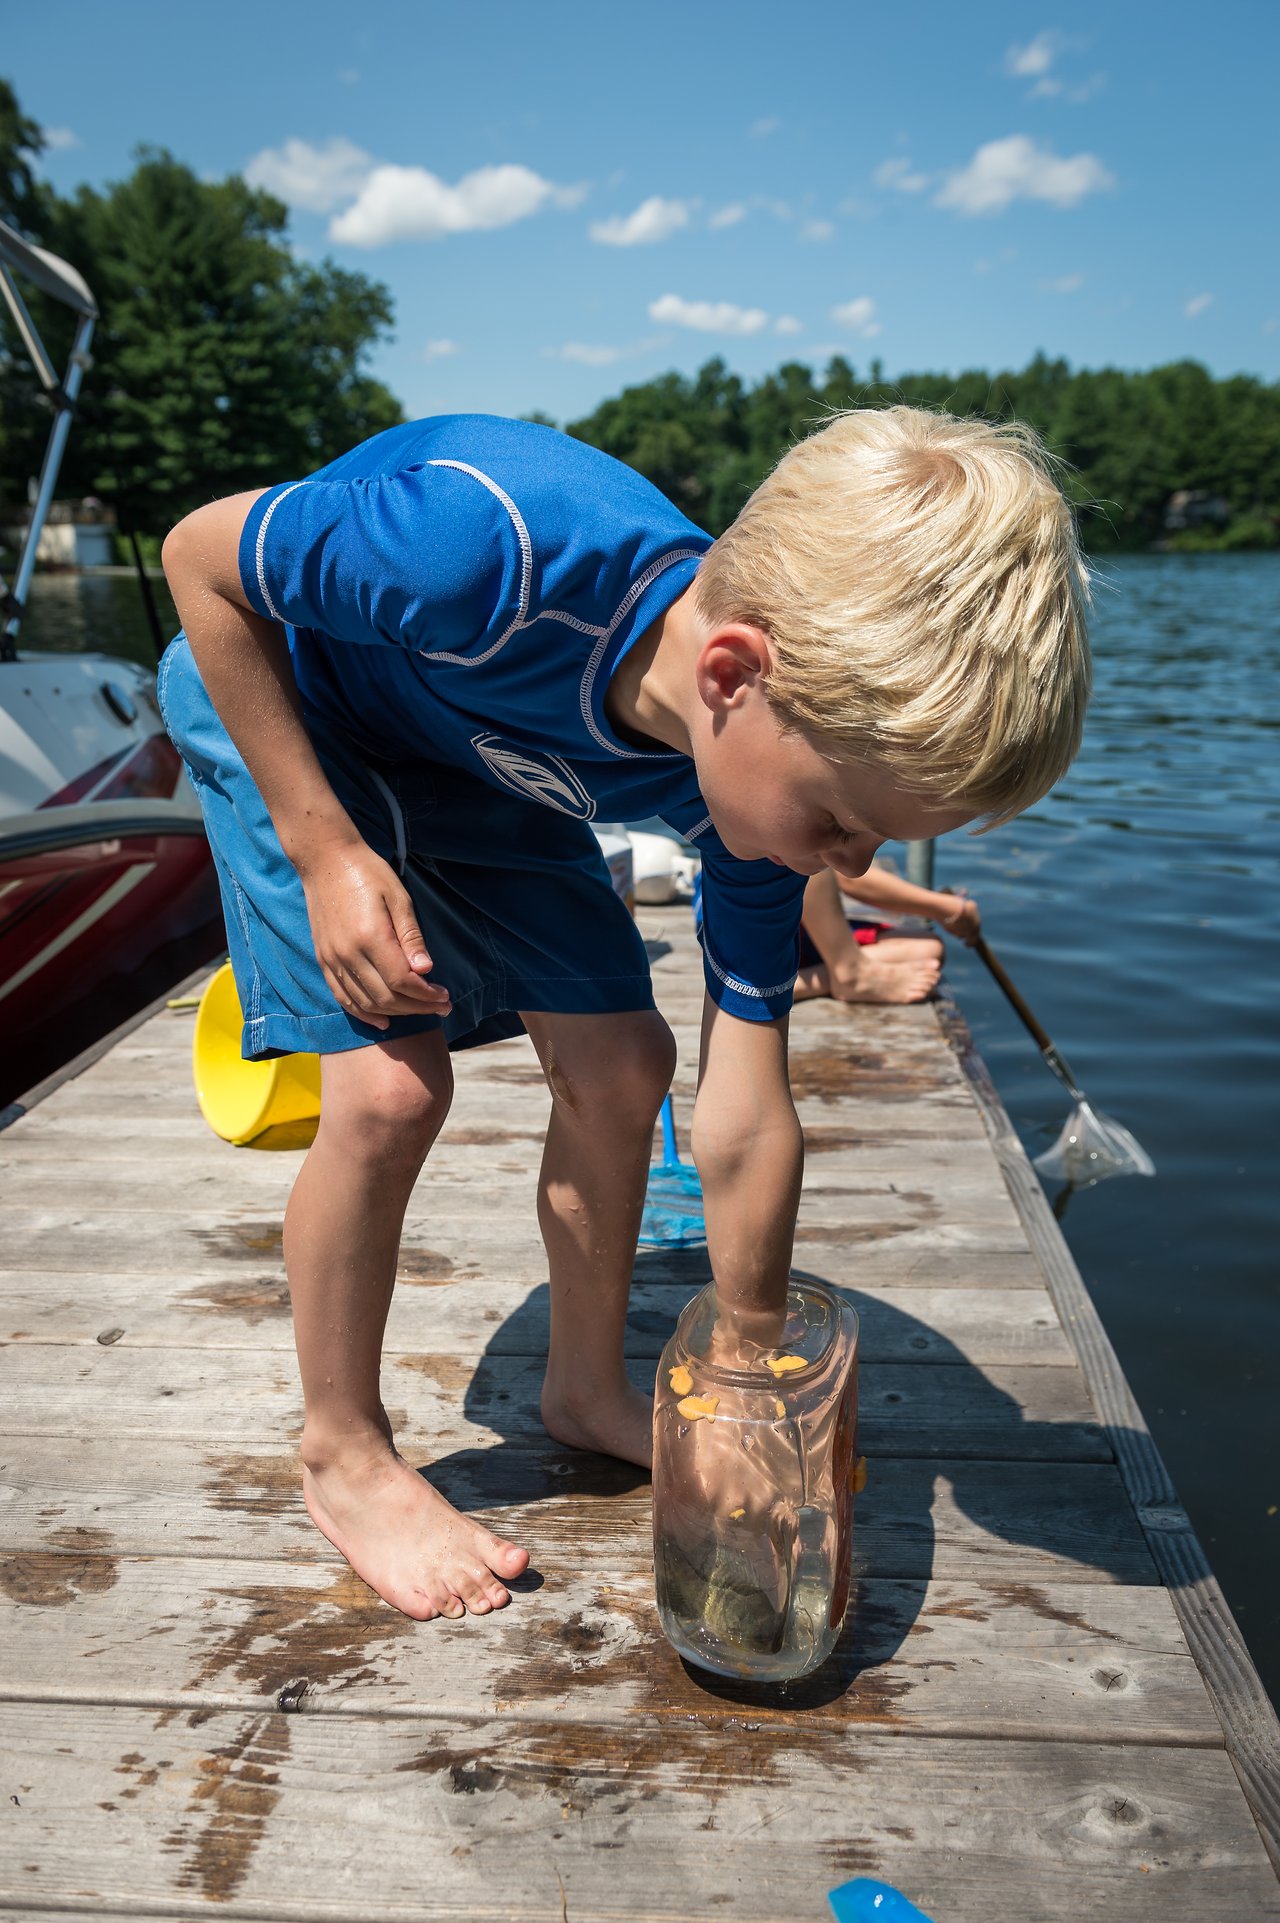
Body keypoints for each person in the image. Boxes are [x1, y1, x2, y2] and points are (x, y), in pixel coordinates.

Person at [159, 405, 1090, 1624]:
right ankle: (342, 1452)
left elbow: (749, 1114)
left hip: (475, 755)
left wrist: (751, 1375)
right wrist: (325, 848)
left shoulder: (758, 799)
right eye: (837, 826)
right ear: (730, 677)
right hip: (297, 714)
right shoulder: (481, 554)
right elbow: (198, 561)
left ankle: (585, 1392)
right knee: (391, 1087)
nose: (850, 862)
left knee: (625, 1057)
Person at [794, 863, 983, 1004]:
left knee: (926, 949)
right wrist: (945, 908)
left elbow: (843, 870)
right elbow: (829, 869)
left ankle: (843, 972)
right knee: (809, 856)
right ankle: (847, 975)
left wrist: (944, 907)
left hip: (789, 932)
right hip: (768, 946)